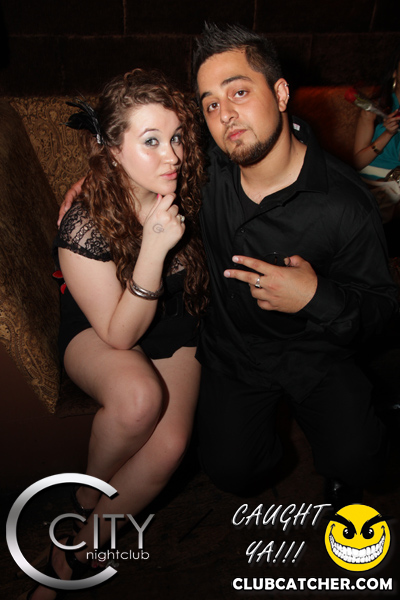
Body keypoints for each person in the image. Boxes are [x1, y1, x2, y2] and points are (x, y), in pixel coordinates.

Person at [191, 23, 398, 507]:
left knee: (362, 460)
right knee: (230, 469)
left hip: (315, 354)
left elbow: (383, 309)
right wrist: (94, 179)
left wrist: (315, 296)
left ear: (281, 93)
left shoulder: (344, 203)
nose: (225, 114)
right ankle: (277, 457)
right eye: (211, 105)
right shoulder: (204, 172)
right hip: (234, 353)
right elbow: (139, 151)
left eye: (239, 92)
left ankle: (342, 464)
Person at [24, 68, 208, 600]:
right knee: (137, 399)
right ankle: (86, 498)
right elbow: (120, 335)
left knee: (170, 446)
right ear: (112, 149)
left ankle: (81, 549)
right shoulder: (82, 222)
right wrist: (153, 249)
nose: (172, 155)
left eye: (176, 137)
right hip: (101, 324)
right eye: (150, 141)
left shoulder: (190, 184)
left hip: (176, 321)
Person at [353, 44, 400, 229]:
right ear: (395, 74)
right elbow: (358, 162)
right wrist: (388, 134)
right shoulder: (374, 109)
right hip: (372, 182)